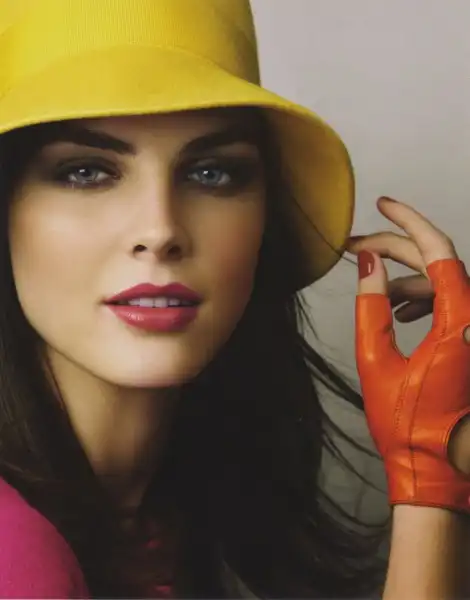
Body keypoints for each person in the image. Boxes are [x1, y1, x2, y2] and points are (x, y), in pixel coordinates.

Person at [0, 0, 469, 598]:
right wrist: (429, 477)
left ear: (266, 221)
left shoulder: (170, 521)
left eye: (211, 173)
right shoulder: (13, 551)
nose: (160, 229)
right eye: (85, 172)